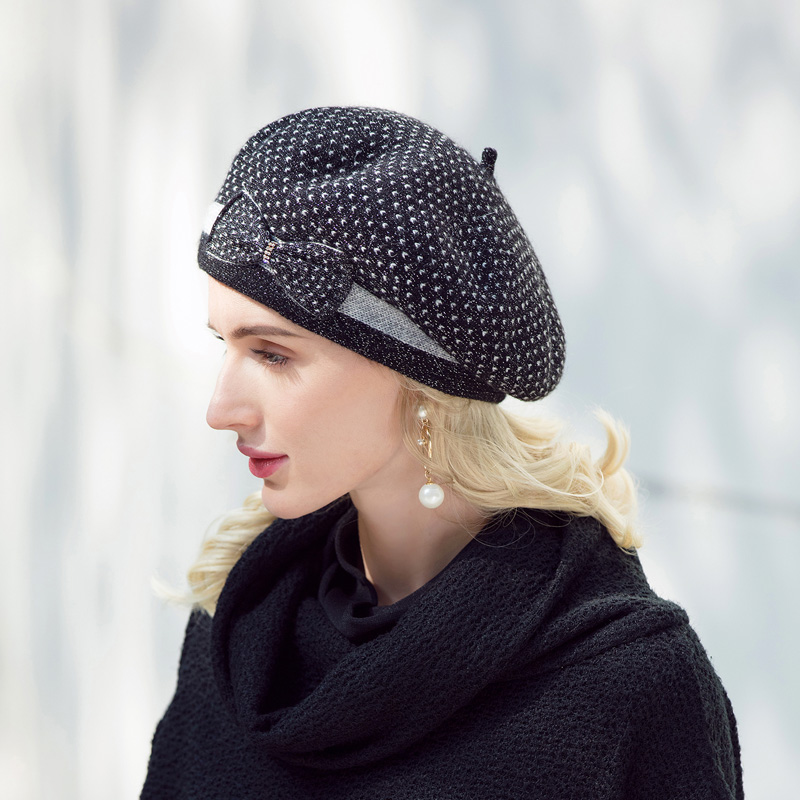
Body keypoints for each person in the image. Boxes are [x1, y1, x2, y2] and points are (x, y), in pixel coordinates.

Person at [141, 106, 743, 799]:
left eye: (273, 354)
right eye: (225, 345)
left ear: (417, 376)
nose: (220, 410)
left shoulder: (628, 687)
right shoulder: (243, 623)